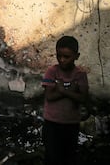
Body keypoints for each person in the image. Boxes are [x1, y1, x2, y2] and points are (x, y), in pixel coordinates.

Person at [41, 36, 89, 165]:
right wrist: (69, 91)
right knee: (52, 156)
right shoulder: (52, 72)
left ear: (76, 56)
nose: (62, 60)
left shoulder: (80, 75)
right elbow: (49, 96)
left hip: (71, 123)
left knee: (69, 156)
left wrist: (62, 90)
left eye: (66, 57)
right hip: (52, 123)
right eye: (59, 56)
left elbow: (83, 98)